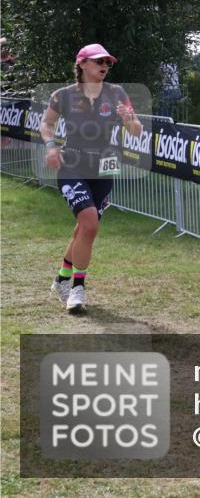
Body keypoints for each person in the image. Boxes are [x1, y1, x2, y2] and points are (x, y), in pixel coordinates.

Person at [39, 44, 142, 313]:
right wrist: (50, 146)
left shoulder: (117, 93)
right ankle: (77, 288)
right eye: (99, 61)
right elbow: (46, 124)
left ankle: (61, 279)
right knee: (90, 224)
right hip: (72, 164)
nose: (104, 66)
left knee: (85, 229)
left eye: (108, 62)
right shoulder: (62, 96)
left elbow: (136, 130)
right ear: (82, 64)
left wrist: (129, 119)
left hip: (105, 167)